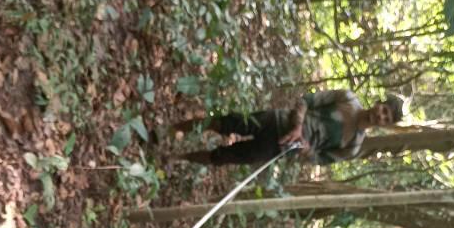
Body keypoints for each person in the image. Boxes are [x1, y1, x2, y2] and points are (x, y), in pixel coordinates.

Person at [166, 90, 403, 166]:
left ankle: (176, 158)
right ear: (379, 103)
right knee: (224, 123)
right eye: (383, 109)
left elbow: (320, 159)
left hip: (278, 148)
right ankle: (172, 129)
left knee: (223, 157)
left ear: (386, 125)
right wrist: (298, 126)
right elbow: (306, 100)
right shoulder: (347, 99)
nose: (380, 115)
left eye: (386, 118)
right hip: (275, 121)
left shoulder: (353, 146)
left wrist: (306, 150)